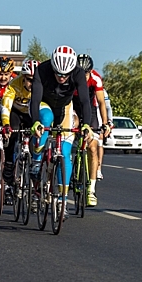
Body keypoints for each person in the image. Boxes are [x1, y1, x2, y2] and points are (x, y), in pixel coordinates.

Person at [29, 45, 94, 218]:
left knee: (65, 153)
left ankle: (62, 200)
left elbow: (85, 102)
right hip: (44, 105)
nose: (62, 78)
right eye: (58, 74)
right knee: (46, 119)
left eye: (65, 75)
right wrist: (35, 122)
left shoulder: (79, 73)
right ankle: (36, 160)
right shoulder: (42, 70)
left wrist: (86, 124)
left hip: (64, 108)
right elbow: (34, 99)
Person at [73, 54, 111, 207]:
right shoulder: (70, 77)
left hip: (90, 109)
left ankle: (91, 190)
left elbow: (102, 103)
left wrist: (106, 123)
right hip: (74, 108)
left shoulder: (95, 78)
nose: (83, 77)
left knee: (92, 148)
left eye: (86, 73)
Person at [0, 59, 38, 187]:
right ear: (23, 77)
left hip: (31, 115)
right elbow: (6, 105)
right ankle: (9, 164)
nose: (32, 83)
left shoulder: (42, 85)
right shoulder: (14, 84)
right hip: (16, 112)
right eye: (29, 79)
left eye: (35, 80)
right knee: (13, 133)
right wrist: (6, 124)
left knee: (36, 140)